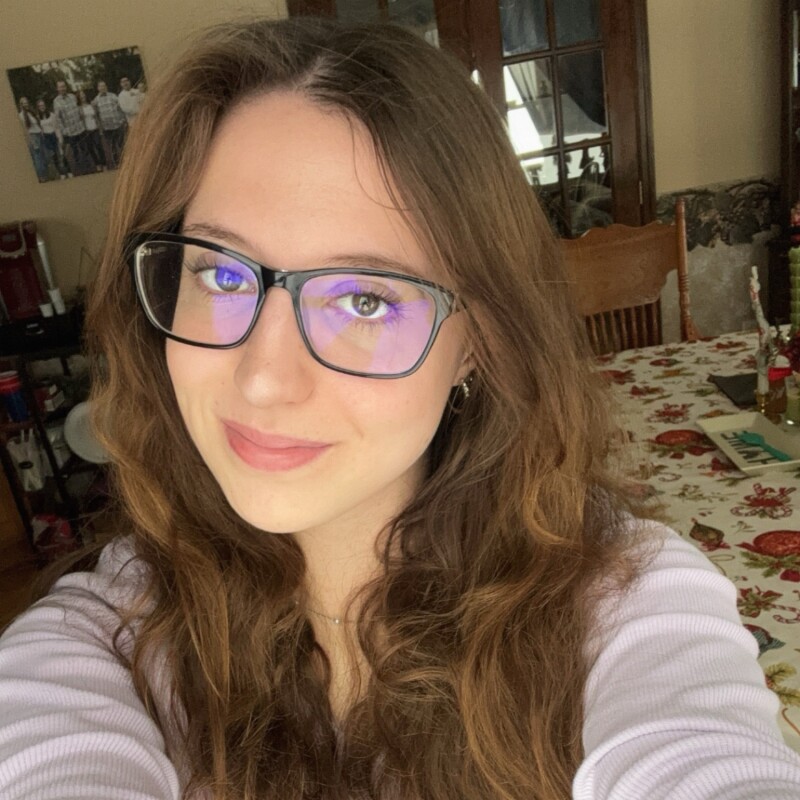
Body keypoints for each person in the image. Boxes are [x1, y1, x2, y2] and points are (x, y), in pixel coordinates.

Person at [2, 17, 800, 800]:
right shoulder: (103, 642)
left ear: (478, 341)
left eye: (365, 299)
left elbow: (698, 753)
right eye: (221, 275)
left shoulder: (618, 602)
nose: (264, 380)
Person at [52, 79, 89, 175]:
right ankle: (81, 170)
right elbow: (58, 119)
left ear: (66, 87)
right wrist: (64, 131)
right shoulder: (56, 101)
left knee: (85, 149)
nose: (62, 88)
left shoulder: (72, 97)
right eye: (60, 87)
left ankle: (88, 168)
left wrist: (83, 122)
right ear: (57, 89)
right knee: (75, 152)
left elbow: (78, 109)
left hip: (80, 128)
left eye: (64, 86)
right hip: (70, 132)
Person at [92, 79, 127, 168]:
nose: (103, 88)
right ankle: (117, 163)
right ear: (98, 88)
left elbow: (120, 108)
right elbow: (96, 115)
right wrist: (100, 127)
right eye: (101, 86)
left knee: (121, 144)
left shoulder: (113, 96)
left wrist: (123, 120)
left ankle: (126, 161)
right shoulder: (96, 100)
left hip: (117, 124)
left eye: (104, 86)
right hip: (106, 128)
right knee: (112, 147)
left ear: (106, 87)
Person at [35, 98, 69, 179]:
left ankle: (69, 171)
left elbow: (57, 127)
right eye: (40, 106)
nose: (42, 107)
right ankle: (61, 173)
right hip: (47, 138)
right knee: (54, 157)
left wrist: (60, 138)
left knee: (61, 154)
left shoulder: (51, 115)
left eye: (43, 105)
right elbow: (40, 130)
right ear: (38, 107)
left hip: (54, 135)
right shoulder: (37, 118)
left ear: (45, 106)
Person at [17, 96, 47, 181]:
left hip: (39, 134)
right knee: (37, 157)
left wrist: (41, 132)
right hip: (33, 136)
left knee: (42, 155)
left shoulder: (31, 112)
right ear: (21, 105)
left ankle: (44, 174)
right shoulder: (21, 115)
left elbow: (37, 124)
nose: (26, 104)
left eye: (26, 102)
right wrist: (31, 141)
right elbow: (25, 130)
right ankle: (41, 177)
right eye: (24, 103)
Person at [77, 89, 106, 172]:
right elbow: (79, 119)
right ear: (79, 98)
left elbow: (97, 115)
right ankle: (97, 164)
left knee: (99, 146)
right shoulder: (78, 108)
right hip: (86, 131)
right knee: (90, 148)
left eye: (83, 95)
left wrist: (100, 127)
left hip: (95, 128)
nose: (82, 96)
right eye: (81, 96)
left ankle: (104, 164)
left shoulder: (92, 105)